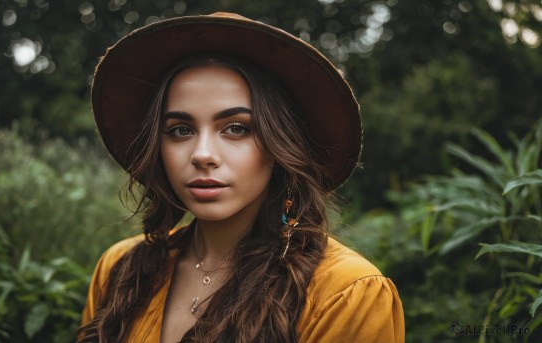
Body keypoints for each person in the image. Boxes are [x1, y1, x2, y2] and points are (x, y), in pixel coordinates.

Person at [78, 12, 404, 343]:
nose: (202, 154)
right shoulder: (121, 270)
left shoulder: (345, 293)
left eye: (236, 128)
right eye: (180, 130)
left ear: (281, 144)